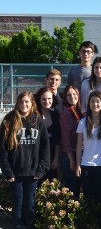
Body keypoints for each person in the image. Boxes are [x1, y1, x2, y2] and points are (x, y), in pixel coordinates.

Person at [0, 91, 50, 228]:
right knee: (17, 203)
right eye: (21, 101)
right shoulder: (9, 120)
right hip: (15, 173)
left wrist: (41, 169)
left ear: (32, 103)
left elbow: (45, 147)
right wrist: (7, 172)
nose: (24, 104)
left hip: (33, 173)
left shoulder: (37, 120)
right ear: (17, 103)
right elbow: (3, 149)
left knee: (29, 204)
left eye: (27, 101)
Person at [75, 91, 101, 206]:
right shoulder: (82, 122)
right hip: (86, 164)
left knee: (99, 196)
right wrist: (78, 164)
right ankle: (88, 222)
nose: (95, 104)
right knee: (87, 196)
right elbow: (78, 145)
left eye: (97, 101)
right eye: (92, 101)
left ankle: (98, 222)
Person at [60, 85, 82, 198]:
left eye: (74, 94)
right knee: (71, 188)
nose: (72, 97)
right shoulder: (66, 113)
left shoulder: (80, 110)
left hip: (80, 153)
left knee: (79, 186)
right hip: (70, 155)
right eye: (69, 95)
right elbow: (66, 139)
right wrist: (72, 161)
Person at [34, 87, 60, 183]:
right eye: (44, 99)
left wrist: (56, 158)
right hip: (37, 156)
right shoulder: (34, 116)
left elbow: (57, 138)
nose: (47, 101)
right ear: (39, 99)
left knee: (51, 186)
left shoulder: (56, 115)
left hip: (52, 155)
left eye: (49, 99)